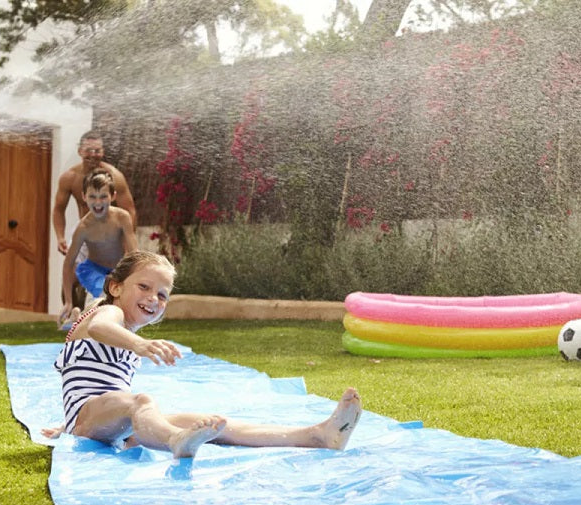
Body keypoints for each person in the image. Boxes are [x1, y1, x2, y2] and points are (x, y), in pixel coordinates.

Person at [43, 250, 362, 459]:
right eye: (144, 286)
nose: (153, 298)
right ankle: (175, 441)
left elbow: (83, 381)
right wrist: (140, 346)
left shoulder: (119, 324)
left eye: (162, 294)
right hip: (92, 418)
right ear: (115, 288)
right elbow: (99, 328)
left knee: (218, 424)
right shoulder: (109, 315)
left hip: (107, 420)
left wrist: (67, 422)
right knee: (142, 402)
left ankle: (318, 436)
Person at [53, 130, 137, 310]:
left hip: (111, 230)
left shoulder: (115, 176)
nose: (93, 155)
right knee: (72, 273)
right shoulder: (70, 178)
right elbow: (59, 209)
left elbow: (129, 210)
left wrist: (125, 238)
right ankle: (70, 313)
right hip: (86, 230)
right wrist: (60, 237)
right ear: (80, 151)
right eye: (89, 150)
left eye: (97, 150)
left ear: (103, 151)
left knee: (116, 277)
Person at [57, 169, 138, 326]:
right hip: (92, 270)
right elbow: (68, 264)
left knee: (120, 305)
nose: (98, 202)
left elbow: (135, 253)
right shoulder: (83, 228)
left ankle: (79, 318)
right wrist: (68, 302)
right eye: (92, 197)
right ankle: (80, 317)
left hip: (117, 270)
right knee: (101, 297)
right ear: (84, 197)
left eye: (103, 196)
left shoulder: (122, 218)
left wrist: (133, 278)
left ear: (113, 196)